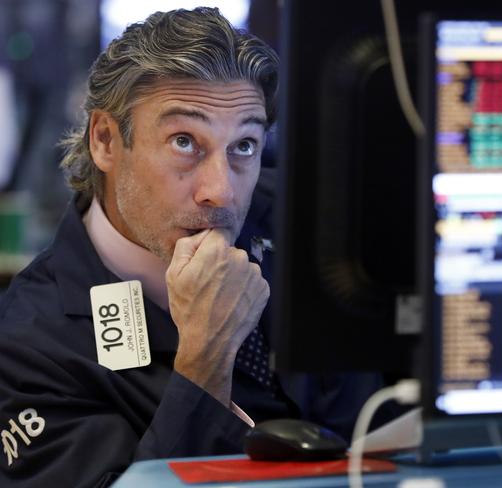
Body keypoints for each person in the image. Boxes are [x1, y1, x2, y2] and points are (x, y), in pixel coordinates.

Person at [0, 7, 385, 487]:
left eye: (243, 145)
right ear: (105, 140)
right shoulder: (26, 345)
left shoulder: (309, 221)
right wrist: (206, 357)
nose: (220, 192)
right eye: (185, 141)